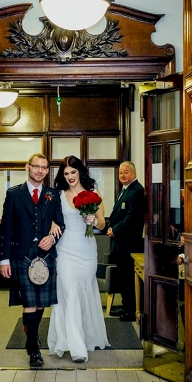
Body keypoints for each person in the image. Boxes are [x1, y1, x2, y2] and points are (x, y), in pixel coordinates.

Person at [0, 153, 65, 368]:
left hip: (45, 254)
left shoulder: (53, 195)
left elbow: (61, 225)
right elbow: (6, 229)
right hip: (22, 254)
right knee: (30, 303)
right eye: (36, 166)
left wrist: (52, 237)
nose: (39, 170)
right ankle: (34, 349)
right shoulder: (14, 194)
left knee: (40, 304)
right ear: (27, 167)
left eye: (44, 168)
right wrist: (4, 260)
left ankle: (30, 338)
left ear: (47, 171)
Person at [47, 156, 110, 363]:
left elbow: (102, 224)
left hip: (87, 252)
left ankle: (84, 336)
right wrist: (51, 226)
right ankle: (76, 348)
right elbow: (47, 219)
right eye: (66, 174)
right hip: (65, 251)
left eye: (73, 172)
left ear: (80, 172)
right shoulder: (58, 195)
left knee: (83, 294)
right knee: (70, 293)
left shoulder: (94, 194)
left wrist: (94, 220)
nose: (70, 177)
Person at [107, 161, 145, 322]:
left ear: (134, 174)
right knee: (123, 278)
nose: (122, 175)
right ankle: (125, 306)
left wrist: (115, 230)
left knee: (129, 278)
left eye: (126, 172)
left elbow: (132, 218)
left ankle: (131, 310)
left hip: (129, 243)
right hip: (120, 243)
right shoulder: (125, 190)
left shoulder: (137, 191)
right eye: (121, 172)